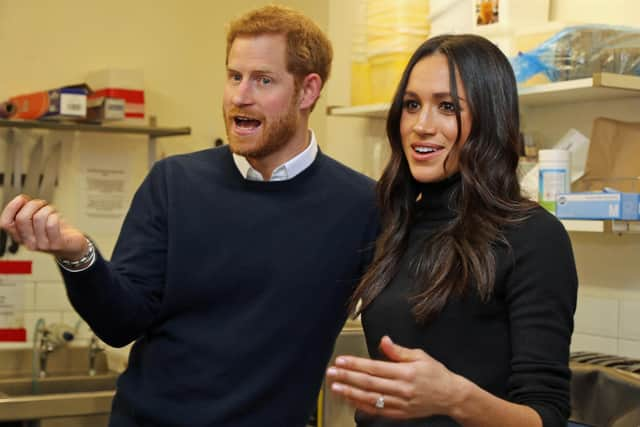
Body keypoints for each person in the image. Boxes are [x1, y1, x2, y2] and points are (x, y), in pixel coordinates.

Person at [0, 5, 378, 427]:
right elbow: (120, 321)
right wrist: (77, 254)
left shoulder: (361, 205)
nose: (239, 96)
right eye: (234, 76)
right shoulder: (174, 182)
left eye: (262, 80)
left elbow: (395, 336)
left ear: (308, 91)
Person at [325, 34, 578, 427]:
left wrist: (454, 398)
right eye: (412, 105)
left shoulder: (533, 237)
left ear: (490, 118)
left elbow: (545, 415)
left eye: (447, 107)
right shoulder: (392, 226)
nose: (421, 126)